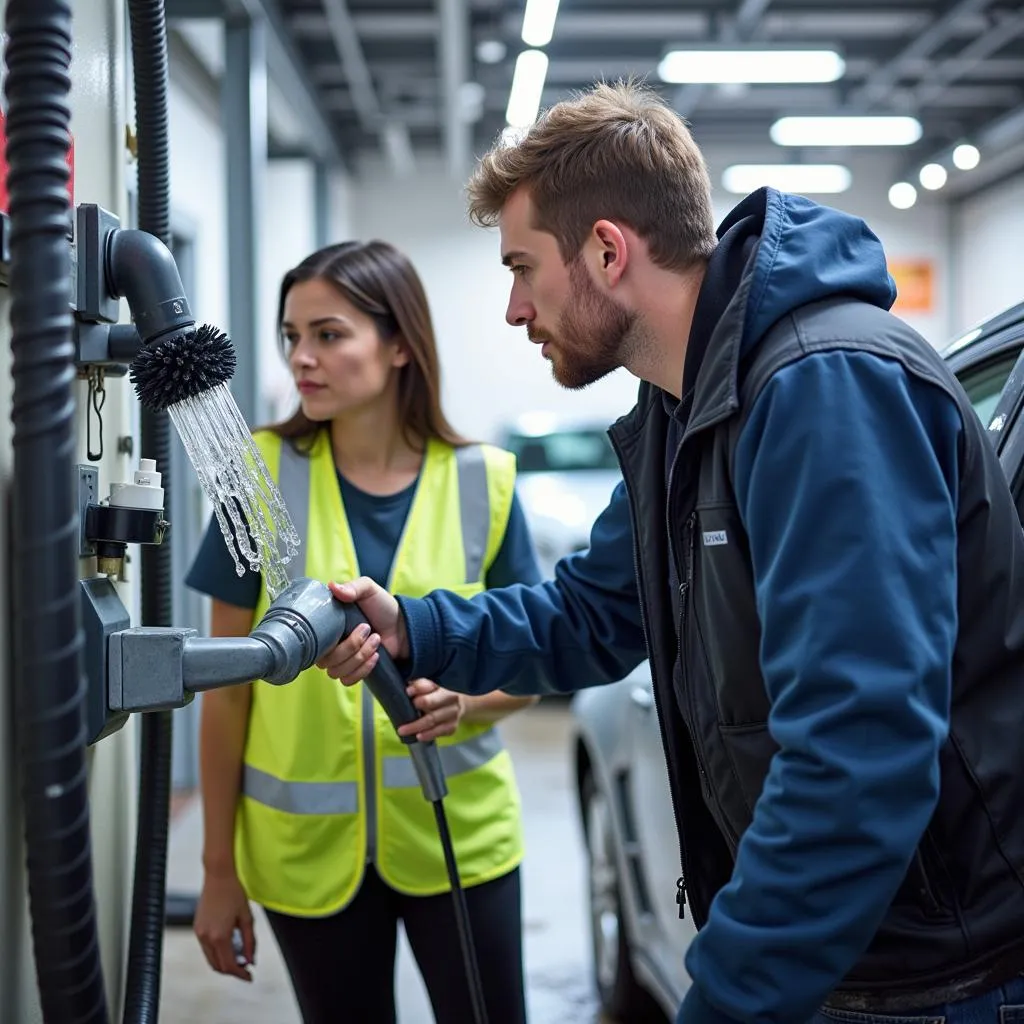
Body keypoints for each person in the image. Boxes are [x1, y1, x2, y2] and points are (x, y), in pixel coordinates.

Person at [320, 81, 1024, 1024]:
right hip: (858, 962)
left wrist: (727, 1000)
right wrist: (414, 627)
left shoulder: (824, 388)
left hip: (938, 977)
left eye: (524, 268)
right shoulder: (684, 408)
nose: (513, 310)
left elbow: (859, 752)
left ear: (607, 251)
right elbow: (594, 611)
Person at [186, 239, 541, 1024]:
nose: (300, 359)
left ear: (400, 345)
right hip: (304, 853)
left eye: (328, 333)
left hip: (463, 844)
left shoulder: (485, 480)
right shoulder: (259, 474)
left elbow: (531, 663)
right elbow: (226, 694)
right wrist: (217, 869)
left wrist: (466, 702)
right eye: (292, 336)